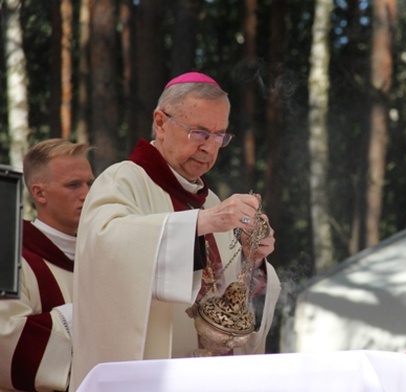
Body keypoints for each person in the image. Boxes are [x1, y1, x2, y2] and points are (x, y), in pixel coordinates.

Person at [70, 72, 282, 390]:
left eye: (220, 136)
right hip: (148, 377)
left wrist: (253, 260)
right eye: (199, 133)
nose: (210, 148)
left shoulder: (210, 201)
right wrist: (199, 223)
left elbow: (229, 293)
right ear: (161, 122)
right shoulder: (123, 180)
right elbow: (105, 251)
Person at [0, 139, 94, 392]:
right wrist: (89, 314)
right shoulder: (12, 260)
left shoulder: (100, 256)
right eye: (73, 185)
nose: (87, 194)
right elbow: (5, 340)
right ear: (40, 193)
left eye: (90, 184)